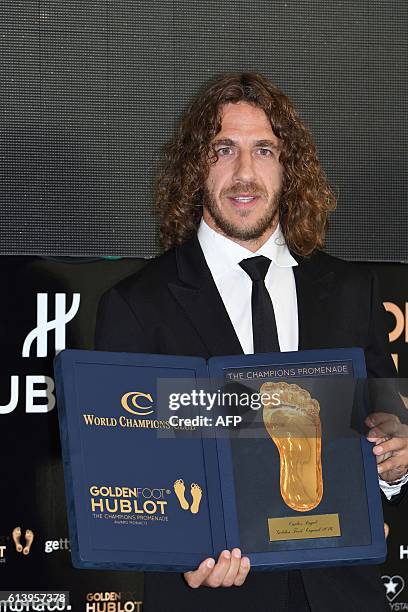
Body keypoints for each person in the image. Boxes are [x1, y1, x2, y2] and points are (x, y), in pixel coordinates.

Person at [95, 72, 408, 612]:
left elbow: (380, 424)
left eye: (264, 149)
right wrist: (182, 552)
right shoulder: (135, 305)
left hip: (342, 594)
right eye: (224, 150)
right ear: (196, 167)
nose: (245, 173)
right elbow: (121, 479)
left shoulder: (354, 291)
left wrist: (396, 460)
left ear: (288, 167)